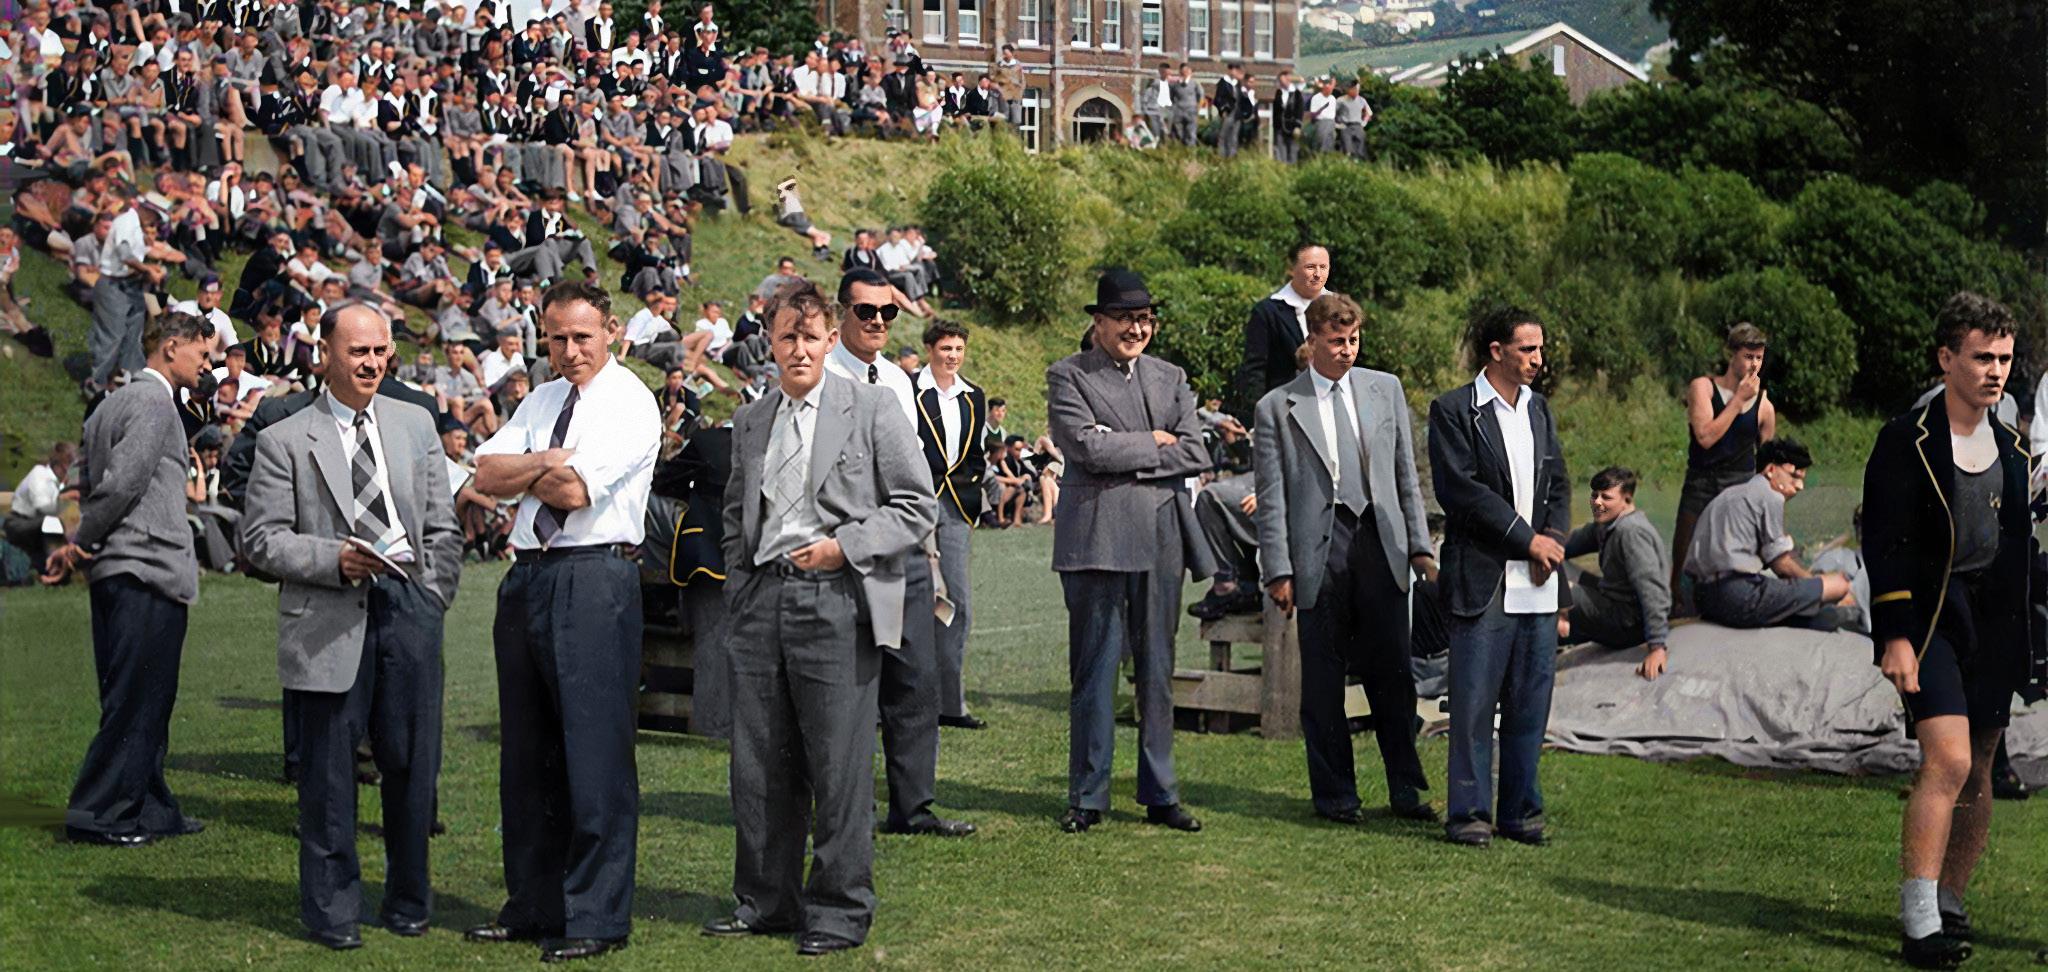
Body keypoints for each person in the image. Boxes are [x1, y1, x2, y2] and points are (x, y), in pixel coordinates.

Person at [700, 277, 935, 957]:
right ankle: (766, 901)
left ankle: (838, 910)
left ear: (831, 340)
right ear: (769, 344)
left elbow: (917, 506)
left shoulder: (872, 407)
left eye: (809, 337)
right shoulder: (753, 419)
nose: (798, 349)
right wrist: (742, 586)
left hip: (835, 600)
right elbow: (736, 514)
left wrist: (845, 547)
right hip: (761, 603)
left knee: (837, 766)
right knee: (758, 765)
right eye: (786, 337)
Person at [239, 302, 463, 951]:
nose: (371, 363)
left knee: (412, 768)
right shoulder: (285, 438)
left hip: (409, 612)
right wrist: (331, 560)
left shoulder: (416, 423)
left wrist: (433, 597)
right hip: (327, 619)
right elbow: (261, 539)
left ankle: (408, 901)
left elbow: (442, 525)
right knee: (329, 779)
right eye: (357, 351)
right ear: (325, 355)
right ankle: (332, 912)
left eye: (379, 351)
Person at [465, 281, 660, 963]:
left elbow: (575, 493)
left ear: (611, 332)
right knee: (527, 753)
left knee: (594, 751)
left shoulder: (631, 402)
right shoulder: (543, 400)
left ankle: (595, 916)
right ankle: (533, 903)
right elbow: (484, 473)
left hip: (594, 574)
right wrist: (547, 459)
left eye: (582, 336)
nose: (570, 351)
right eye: (557, 338)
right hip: (529, 575)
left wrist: (528, 471)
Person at [1864, 293, 2047, 969]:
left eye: (2004, 359)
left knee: (1981, 766)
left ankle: (1950, 900)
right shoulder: (1905, 438)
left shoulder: (2013, 446)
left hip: (1994, 622)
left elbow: (2017, 545)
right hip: (1930, 615)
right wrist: (1896, 634)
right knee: (1948, 760)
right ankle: (1919, 921)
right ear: (1946, 358)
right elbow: (1884, 541)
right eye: (1981, 357)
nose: (1995, 371)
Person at [1253, 292, 1438, 825]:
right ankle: (1336, 795)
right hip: (1320, 547)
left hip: (1381, 541)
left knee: (1394, 675)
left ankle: (1406, 790)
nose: (1347, 350)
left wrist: (1420, 547)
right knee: (1323, 681)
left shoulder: (1385, 389)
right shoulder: (1277, 408)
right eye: (1336, 341)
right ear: (1311, 340)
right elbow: (1271, 498)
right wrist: (1278, 570)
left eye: (1354, 340)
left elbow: (1405, 475)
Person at [1046, 269, 1215, 834]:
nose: (1135, 329)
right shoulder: (1068, 374)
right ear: (1098, 323)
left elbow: (1194, 451)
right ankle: (1088, 796)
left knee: (1157, 672)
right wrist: (1153, 442)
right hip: (1096, 539)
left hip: (1161, 538)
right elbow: (1084, 448)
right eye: (1123, 319)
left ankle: (1160, 793)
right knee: (1094, 674)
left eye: (1144, 319)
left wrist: (1123, 448)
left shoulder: (1171, 377)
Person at [46, 312, 213, 846]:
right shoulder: (154, 403)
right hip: (147, 568)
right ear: (171, 347)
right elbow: (122, 485)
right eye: (202, 354)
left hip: (120, 573)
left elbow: (82, 485)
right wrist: (82, 541)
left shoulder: (107, 406)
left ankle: (152, 808)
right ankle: (99, 815)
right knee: (137, 701)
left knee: (141, 697)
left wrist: (79, 541)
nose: (207, 365)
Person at [824, 267, 975, 838]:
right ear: (842, 312)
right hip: (845, 550)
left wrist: (925, 550)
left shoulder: (897, 380)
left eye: (887, 312)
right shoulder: (820, 374)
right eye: (866, 311)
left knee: (914, 681)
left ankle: (913, 807)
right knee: (850, 688)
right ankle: (847, 808)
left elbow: (911, 469)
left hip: (904, 550)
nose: (878, 321)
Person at [1427, 304, 1570, 848]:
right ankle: (1469, 814)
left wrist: (1552, 540)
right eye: (1527, 349)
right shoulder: (1454, 410)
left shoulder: (1540, 409)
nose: (1538, 359)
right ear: (1496, 351)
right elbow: (1462, 492)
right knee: (1473, 705)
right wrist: (1525, 539)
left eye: (1540, 349)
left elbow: (1558, 481)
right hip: (1484, 576)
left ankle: (1521, 813)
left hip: (1537, 578)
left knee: (1530, 703)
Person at [1684, 438, 1853, 631]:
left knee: (1792, 602)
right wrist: (1815, 585)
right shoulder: (1770, 496)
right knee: (1838, 584)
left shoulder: (1729, 494)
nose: (1800, 486)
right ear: (1771, 470)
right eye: (1793, 476)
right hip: (1737, 594)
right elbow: (1781, 564)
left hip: (1703, 597)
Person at [915, 320, 989, 729]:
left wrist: (970, 500)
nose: (953, 356)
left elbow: (975, 453)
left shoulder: (973, 395)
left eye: (959, 349)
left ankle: (951, 704)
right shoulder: (909, 389)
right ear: (930, 349)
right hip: (916, 505)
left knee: (957, 602)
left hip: (957, 507)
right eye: (946, 348)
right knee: (913, 599)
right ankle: (900, 701)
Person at [1671, 323, 1775, 610]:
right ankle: (1678, 605)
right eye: (1748, 356)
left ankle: (1732, 603)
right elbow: (1705, 438)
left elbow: (1768, 465)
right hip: (1701, 482)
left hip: (1740, 485)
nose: (1754, 365)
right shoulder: (1702, 387)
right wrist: (1738, 400)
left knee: (1734, 558)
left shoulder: (1765, 406)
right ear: (1731, 355)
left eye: (1759, 357)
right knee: (1683, 560)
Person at [1560, 467, 1673, 680]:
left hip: (1629, 623)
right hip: (1611, 601)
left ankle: (1562, 623)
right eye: (1594, 495)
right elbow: (1563, 547)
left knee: (1556, 588)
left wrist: (1657, 646)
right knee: (1552, 563)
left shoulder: (1631, 532)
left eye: (1606, 497)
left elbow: (1652, 589)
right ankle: (1563, 620)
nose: (1597, 502)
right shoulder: (1606, 524)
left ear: (1627, 499)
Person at [1236, 243, 1330, 408]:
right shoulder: (1267, 312)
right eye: (1310, 267)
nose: (1318, 274)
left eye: (1323, 267)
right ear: (1291, 269)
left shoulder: (1341, 308)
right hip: (1284, 408)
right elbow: (1255, 371)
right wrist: (1259, 413)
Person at [6, 441, 74, 577]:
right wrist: (63, 498)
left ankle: (54, 564)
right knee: (51, 523)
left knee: (54, 524)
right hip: (18, 523)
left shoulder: (55, 482)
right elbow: (43, 507)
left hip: (32, 524)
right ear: (61, 465)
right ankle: (53, 565)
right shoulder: (40, 475)